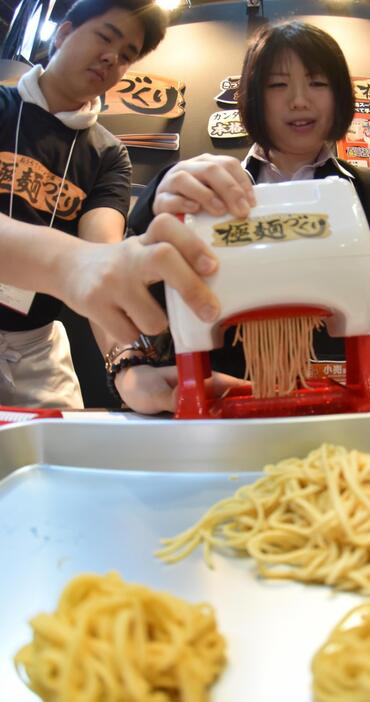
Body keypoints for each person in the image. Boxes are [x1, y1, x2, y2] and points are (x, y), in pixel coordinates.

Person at [124, 20, 370, 413]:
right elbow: (134, 261)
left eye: (318, 83)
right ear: (253, 97)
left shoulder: (366, 187)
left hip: (337, 396)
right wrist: (159, 196)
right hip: (225, 393)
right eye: (277, 85)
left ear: (339, 97)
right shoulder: (209, 186)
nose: (299, 100)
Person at [0, 0, 219, 409]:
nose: (111, 59)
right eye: (105, 38)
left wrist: (130, 368)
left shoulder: (108, 154)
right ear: (63, 34)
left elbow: (103, 259)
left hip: (35, 345)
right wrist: (70, 263)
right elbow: (86, 265)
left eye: (126, 57)